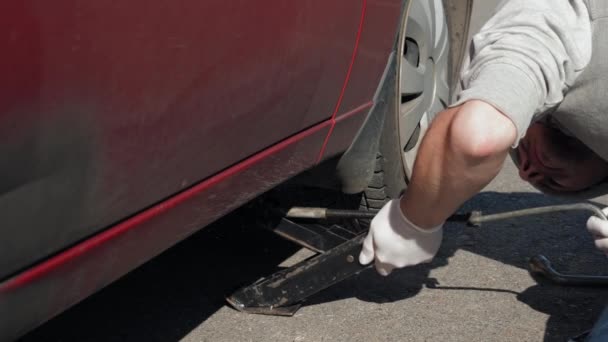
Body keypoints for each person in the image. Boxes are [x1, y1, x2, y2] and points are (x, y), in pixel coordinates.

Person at [358, 0, 608, 339]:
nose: (528, 174)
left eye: (551, 180)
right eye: (518, 152)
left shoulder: (563, 13)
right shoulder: (559, 27)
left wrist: (412, 220)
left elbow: (480, 135)